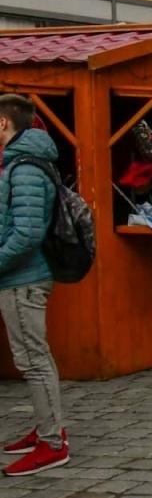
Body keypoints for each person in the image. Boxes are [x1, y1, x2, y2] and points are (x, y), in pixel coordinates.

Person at [0, 94, 69, 476]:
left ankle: (52, 443)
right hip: (20, 279)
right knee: (34, 359)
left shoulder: (24, 167)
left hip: (22, 281)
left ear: (4, 124)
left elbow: (26, 234)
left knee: (34, 361)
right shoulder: (23, 162)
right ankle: (47, 428)